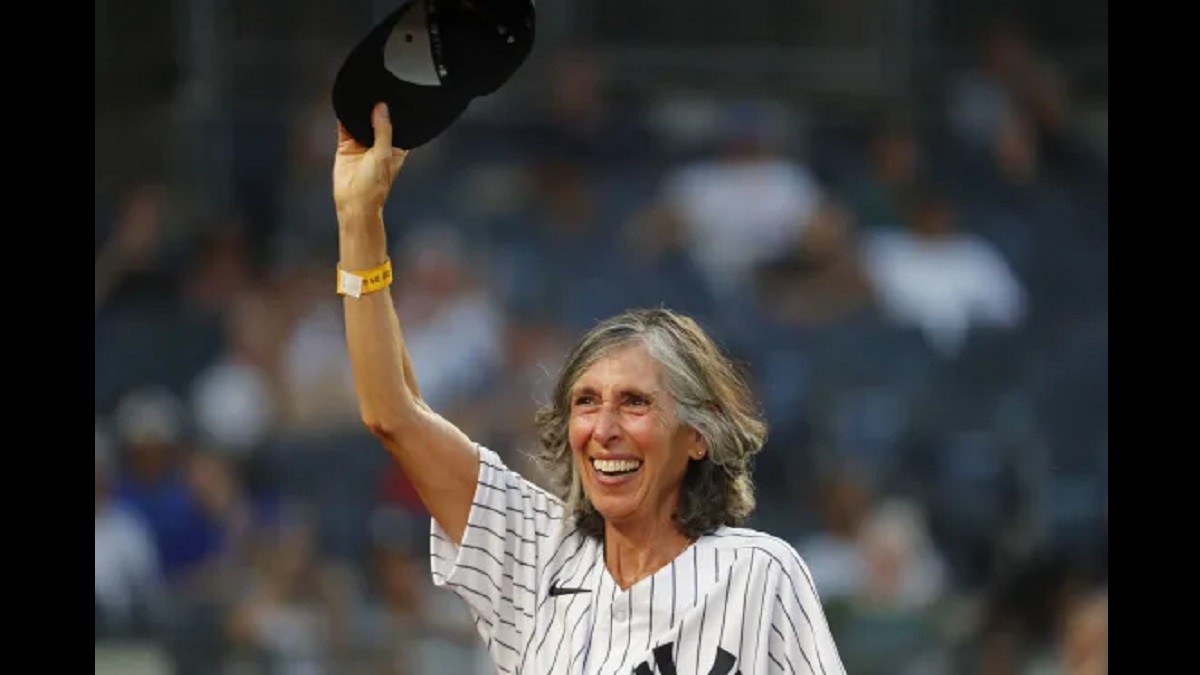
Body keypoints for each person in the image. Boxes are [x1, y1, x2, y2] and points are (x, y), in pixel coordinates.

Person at [332, 102, 847, 674]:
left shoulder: (758, 573)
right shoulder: (530, 551)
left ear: (698, 435)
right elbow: (393, 414)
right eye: (586, 402)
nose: (604, 430)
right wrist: (360, 224)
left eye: (635, 403)